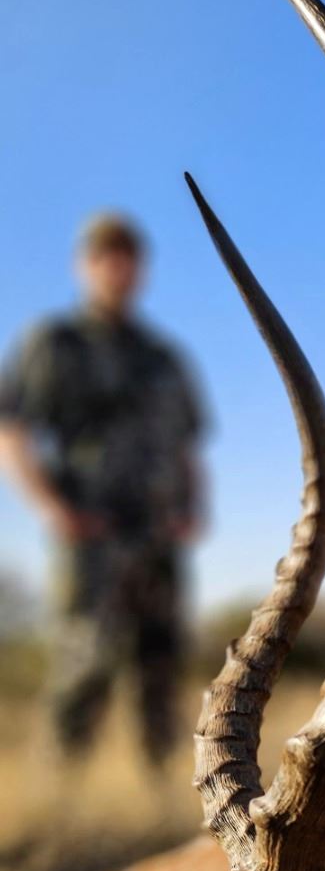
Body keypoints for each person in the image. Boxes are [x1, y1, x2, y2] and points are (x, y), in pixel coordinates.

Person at [0, 212, 208, 764]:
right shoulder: (54, 342)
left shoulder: (164, 357)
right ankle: (58, 798)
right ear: (83, 265)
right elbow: (10, 429)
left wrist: (193, 511)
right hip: (92, 534)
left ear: (141, 268)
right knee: (84, 667)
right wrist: (53, 508)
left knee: (162, 672)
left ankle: (168, 796)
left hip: (159, 538)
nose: (118, 267)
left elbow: (188, 447)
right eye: (104, 256)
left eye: (128, 256)